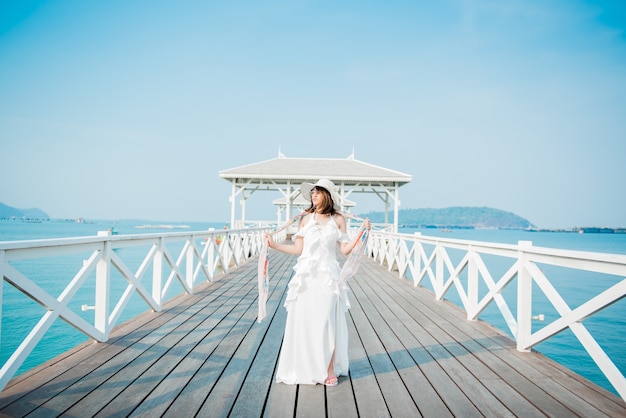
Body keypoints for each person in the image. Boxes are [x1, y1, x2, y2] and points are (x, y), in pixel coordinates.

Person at [265, 178, 371, 387]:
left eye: (317, 191)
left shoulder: (338, 219)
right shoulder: (304, 219)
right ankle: (304, 367)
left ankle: (329, 368)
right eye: (312, 192)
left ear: (327, 195)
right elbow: (298, 249)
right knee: (305, 322)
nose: (313, 195)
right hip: (306, 278)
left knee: (326, 321)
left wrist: (361, 233)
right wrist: (273, 246)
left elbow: (344, 249)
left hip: (328, 277)